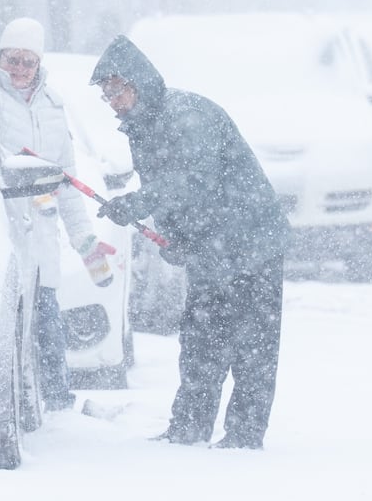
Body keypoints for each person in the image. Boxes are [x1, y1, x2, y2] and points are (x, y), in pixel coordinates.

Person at [89, 35, 289, 449]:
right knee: (201, 340)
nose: (112, 100)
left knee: (253, 346)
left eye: (116, 90)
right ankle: (188, 429)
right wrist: (178, 237)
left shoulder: (187, 116)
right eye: (106, 94)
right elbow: (180, 194)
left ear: (138, 83)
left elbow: (192, 182)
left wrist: (137, 204)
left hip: (252, 242)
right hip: (212, 247)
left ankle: (244, 437)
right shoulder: (143, 124)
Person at [0, 17, 117, 412]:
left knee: (47, 328)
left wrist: (86, 242)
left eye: (28, 62)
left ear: (39, 64)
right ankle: (6, 406)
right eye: (12, 60)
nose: (19, 69)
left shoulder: (53, 105)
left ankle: (57, 408)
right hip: (0, 237)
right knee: (3, 333)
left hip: (41, 242)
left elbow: (66, 182)